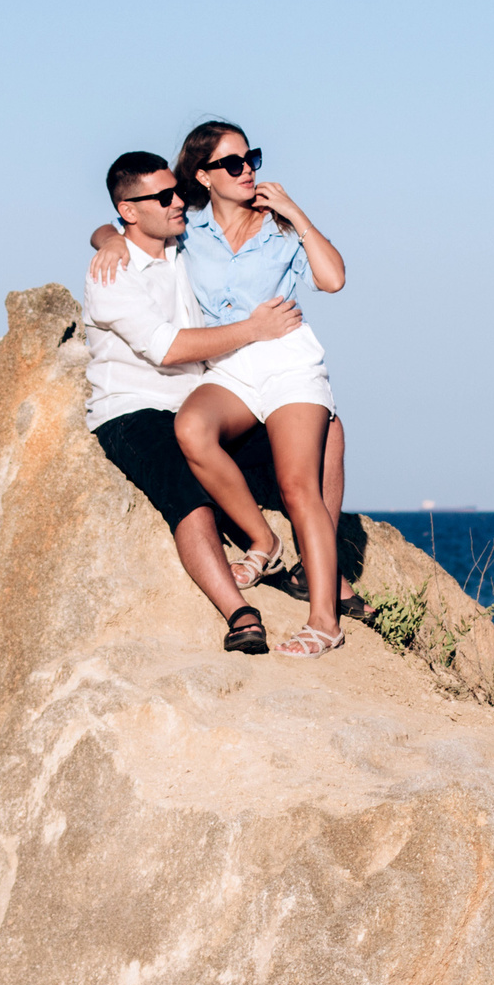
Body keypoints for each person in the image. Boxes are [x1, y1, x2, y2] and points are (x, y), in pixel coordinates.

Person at [94, 121, 350, 658]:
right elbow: (131, 222)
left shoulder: (279, 227)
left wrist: (297, 213)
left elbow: (332, 280)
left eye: (251, 157)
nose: (248, 169)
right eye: (232, 162)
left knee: (299, 480)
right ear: (203, 176)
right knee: (192, 428)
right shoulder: (190, 234)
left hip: (284, 358)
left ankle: (325, 619)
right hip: (230, 368)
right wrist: (109, 237)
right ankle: (265, 541)